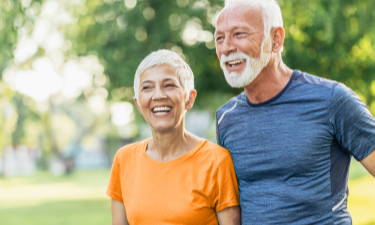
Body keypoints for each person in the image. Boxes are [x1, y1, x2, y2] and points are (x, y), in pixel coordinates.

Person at [214, 0, 375, 224]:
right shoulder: (225, 118)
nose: (226, 47)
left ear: (276, 40)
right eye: (219, 38)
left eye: (239, 34)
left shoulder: (332, 99)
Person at [106, 49, 240, 225]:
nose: (158, 95)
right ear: (138, 103)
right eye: (147, 87)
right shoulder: (123, 160)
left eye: (169, 85)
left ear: (189, 99)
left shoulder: (217, 161)